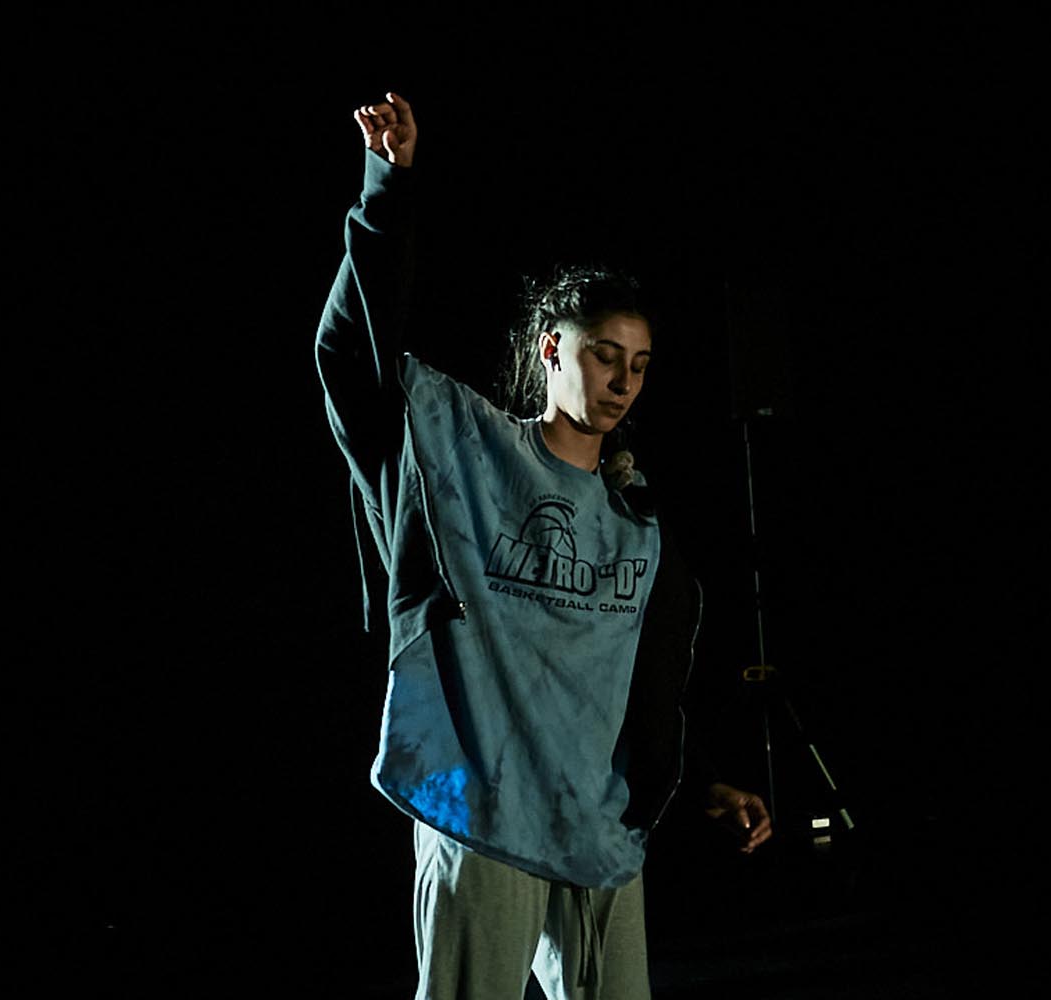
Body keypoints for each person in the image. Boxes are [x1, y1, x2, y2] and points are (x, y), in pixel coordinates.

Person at [315, 91, 772, 1000]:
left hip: (594, 823)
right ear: (550, 349)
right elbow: (353, 362)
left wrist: (703, 783)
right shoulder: (470, 456)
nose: (623, 381)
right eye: (604, 355)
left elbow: (628, 680)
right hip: (482, 810)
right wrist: (386, 191)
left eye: (639, 365)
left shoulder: (635, 517)